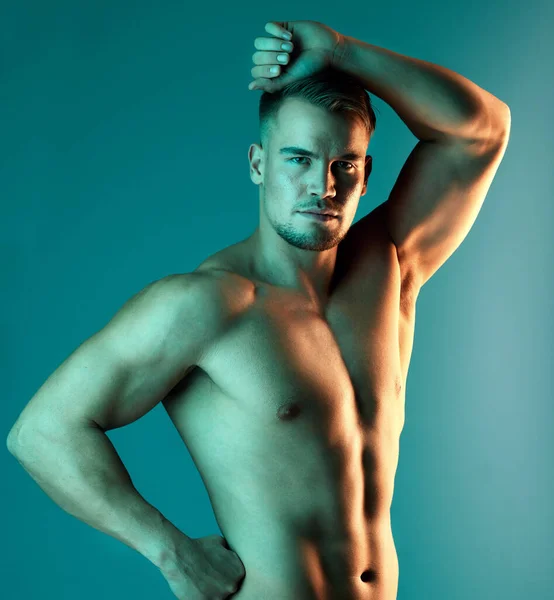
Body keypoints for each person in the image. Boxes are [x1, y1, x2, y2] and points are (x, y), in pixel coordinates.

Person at [7, 19, 511, 600]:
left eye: (343, 164)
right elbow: (42, 433)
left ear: (365, 174)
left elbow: (481, 132)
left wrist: (343, 53)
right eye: (297, 159)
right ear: (258, 165)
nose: (321, 185)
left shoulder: (390, 268)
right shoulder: (208, 305)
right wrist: (169, 551)